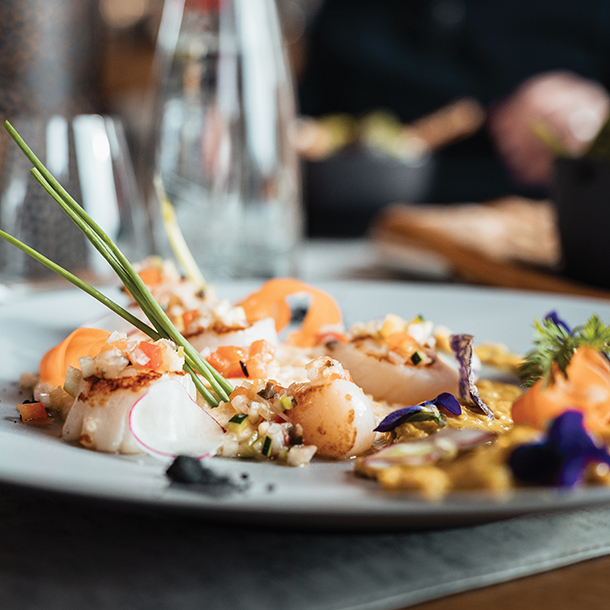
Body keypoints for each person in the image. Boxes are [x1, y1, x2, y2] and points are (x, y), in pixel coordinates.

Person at [298, 0, 610, 205]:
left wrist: (590, 126)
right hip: (362, 245)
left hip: (546, 240)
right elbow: (301, 131)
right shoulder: (350, 14)